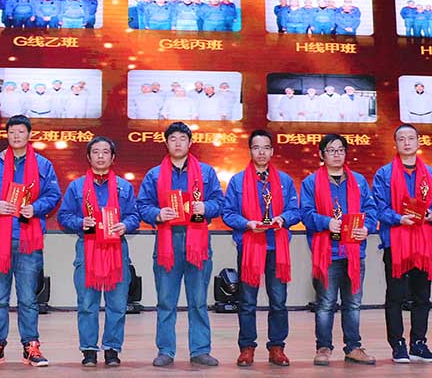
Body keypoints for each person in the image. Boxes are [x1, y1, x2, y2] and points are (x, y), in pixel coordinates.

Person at [0, 115, 62, 367]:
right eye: (12, 132)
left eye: (21, 132)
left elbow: (53, 195)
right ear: (7, 135)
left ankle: (31, 346)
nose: (16, 136)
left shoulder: (43, 165)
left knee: (28, 298)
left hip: (28, 238)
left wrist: (36, 207)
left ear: (29, 135)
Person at [136, 122, 223, 367]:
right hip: (167, 241)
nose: (177, 143)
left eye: (182, 138)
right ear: (166, 143)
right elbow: (142, 205)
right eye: (172, 138)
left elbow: (220, 202)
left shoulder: (206, 172)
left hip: (198, 241)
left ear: (190, 142)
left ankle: (200, 350)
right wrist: (157, 214)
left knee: (198, 300)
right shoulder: (154, 174)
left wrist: (206, 207)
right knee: (166, 301)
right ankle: (165, 350)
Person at [56, 137, 141, 367]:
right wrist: (79, 222)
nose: (100, 156)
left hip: (116, 249)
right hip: (87, 248)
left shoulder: (124, 187)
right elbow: (63, 216)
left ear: (113, 158)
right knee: (87, 304)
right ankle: (89, 350)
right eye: (96, 152)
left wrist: (126, 225)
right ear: (88, 157)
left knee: (117, 304)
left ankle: (112, 350)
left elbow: (135, 216)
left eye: (105, 152)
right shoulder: (77, 187)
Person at [371, 124, 432, 363]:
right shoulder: (384, 174)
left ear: (418, 142)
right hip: (395, 242)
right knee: (395, 296)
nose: (407, 142)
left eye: (411, 138)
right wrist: (398, 218)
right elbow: (379, 208)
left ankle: (418, 343)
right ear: (395, 143)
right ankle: (398, 344)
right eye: (402, 139)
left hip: (423, 243)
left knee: (422, 296)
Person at [222, 130, 299, 367]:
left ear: (272, 151)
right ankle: (247, 348)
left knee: (278, 301)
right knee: (247, 301)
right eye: (256, 148)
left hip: (277, 247)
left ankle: (277, 347)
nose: (261, 152)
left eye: (266, 147)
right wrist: (248, 224)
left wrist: (282, 219)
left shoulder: (285, 180)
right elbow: (228, 213)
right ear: (250, 151)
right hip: (250, 247)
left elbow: (295, 211)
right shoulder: (237, 181)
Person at [300, 134, 378, 366]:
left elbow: (371, 209)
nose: (337, 154)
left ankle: (353, 347)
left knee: (353, 304)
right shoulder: (311, 182)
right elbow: (305, 214)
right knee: (325, 304)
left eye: (341, 150)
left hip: (354, 252)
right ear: (321, 154)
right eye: (331, 150)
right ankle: (323, 347)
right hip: (327, 254)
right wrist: (326, 223)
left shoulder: (359, 181)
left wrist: (367, 227)